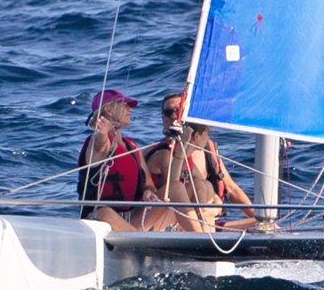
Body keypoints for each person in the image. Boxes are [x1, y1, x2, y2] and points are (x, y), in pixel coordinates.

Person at [76, 88, 194, 232]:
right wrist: (102, 133)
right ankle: (144, 243)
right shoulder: (96, 142)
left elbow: (148, 183)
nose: (129, 109)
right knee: (104, 212)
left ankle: (203, 238)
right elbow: (100, 146)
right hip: (101, 219)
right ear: (108, 110)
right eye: (125, 105)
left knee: (177, 188)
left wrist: (148, 192)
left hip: (132, 217)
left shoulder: (131, 145)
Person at [145, 92, 211, 231]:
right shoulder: (163, 154)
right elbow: (173, 189)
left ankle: (205, 232)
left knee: (201, 184)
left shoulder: (189, 157)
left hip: (178, 216)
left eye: (179, 111)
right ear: (163, 118)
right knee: (186, 187)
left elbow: (205, 189)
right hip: (156, 219)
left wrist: (210, 211)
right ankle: (202, 237)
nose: (175, 116)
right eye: (169, 112)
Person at [186, 122, 255, 230]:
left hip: (213, 222)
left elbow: (231, 188)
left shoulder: (209, 150)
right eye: (206, 133)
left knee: (263, 223)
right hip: (189, 224)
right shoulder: (176, 157)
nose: (208, 137)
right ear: (197, 136)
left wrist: (257, 216)